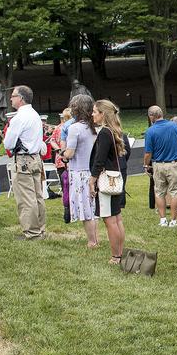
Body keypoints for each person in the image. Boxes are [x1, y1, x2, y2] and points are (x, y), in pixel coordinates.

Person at [2, 85, 47, 240]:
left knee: (26, 198)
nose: (11, 98)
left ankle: (32, 232)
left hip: (23, 160)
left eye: (13, 96)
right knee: (37, 196)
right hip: (35, 158)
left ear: (20, 98)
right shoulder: (34, 114)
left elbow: (8, 144)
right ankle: (40, 229)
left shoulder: (18, 118)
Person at [89, 100, 126, 264]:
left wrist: (92, 180)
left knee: (110, 219)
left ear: (103, 114)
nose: (92, 114)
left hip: (106, 181)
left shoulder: (105, 132)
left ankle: (116, 256)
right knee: (117, 218)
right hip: (116, 178)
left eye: (95, 111)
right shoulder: (113, 131)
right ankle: (119, 252)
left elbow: (99, 159)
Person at [61, 95, 98, 248]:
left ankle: (92, 241)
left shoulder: (74, 128)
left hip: (79, 172)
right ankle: (96, 238)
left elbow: (69, 153)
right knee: (93, 208)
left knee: (85, 209)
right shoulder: (94, 126)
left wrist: (62, 154)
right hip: (93, 170)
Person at [143, 105, 177, 227]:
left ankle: (162, 219)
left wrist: (146, 164)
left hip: (158, 164)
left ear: (151, 117)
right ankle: (174, 220)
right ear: (161, 114)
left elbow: (148, 153)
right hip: (174, 163)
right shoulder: (174, 126)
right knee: (175, 192)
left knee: (159, 192)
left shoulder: (150, 131)